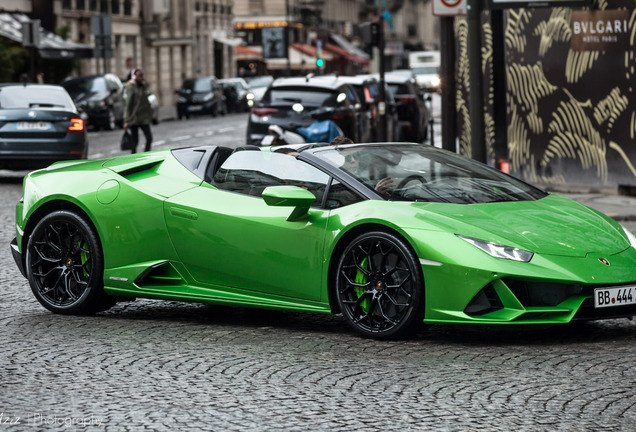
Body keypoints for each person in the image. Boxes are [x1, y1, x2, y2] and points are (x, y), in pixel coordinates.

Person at [123, 69, 153, 153]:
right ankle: (133, 157)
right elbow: (128, 104)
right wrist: (126, 120)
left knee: (149, 138)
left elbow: (148, 85)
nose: (142, 78)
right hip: (134, 118)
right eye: (139, 76)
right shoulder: (131, 87)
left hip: (144, 118)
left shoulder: (143, 86)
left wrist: (150, 114)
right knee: (135, 141)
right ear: (134, 76)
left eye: (142, 75)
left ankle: (146, 154)